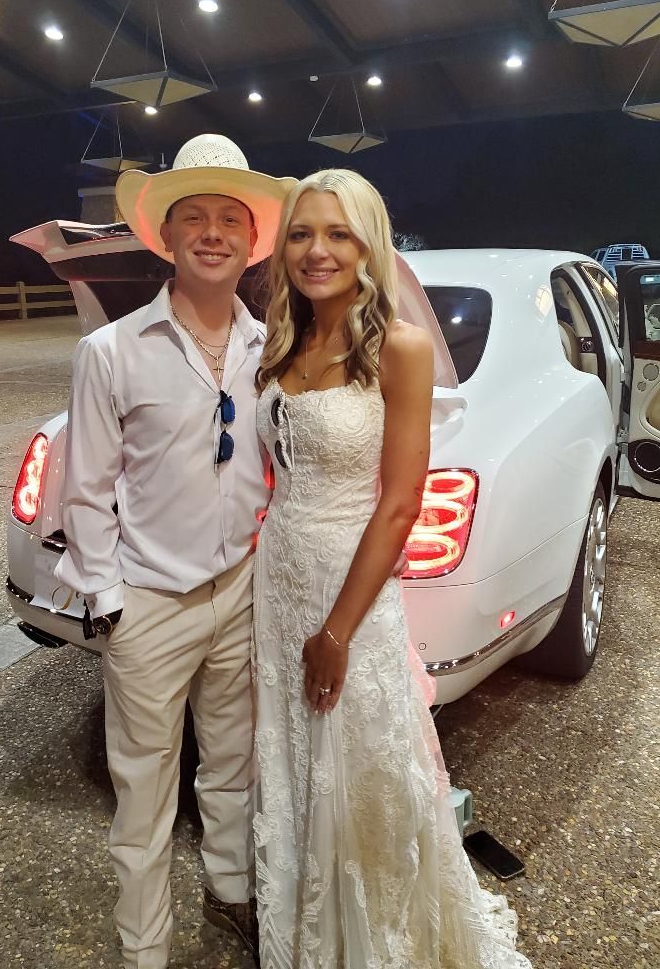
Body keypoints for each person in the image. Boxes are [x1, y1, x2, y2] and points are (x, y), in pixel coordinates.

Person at [253, 169, 533, 967]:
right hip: (281, 578)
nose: (318, 250)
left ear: (369, 244)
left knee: (364, 762)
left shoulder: (399, 350)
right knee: (298, 755)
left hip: (354, 590)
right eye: (303, 232)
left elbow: (401, 504)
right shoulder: (284, 339)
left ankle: (375, 937)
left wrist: (337, 631)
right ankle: (313, 923)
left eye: (339, 234)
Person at [53, 134, 297, 968]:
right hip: (150, 602)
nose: (213, 232)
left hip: (241, 590)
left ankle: (231, 894)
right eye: (194, 216)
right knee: (144, 790)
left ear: (251, 238)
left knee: (232, 765)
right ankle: (145, 947)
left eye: (231, 217)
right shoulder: (111, 351)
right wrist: (106, 599)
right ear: (165, 235)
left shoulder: (272, 350)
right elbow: (83, 488)